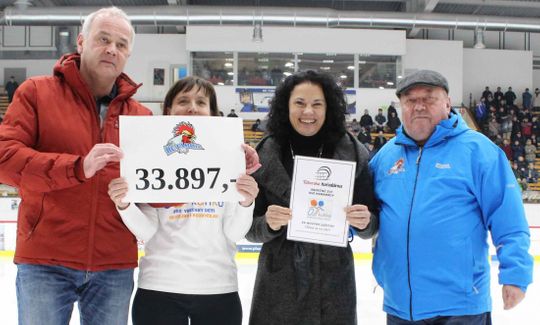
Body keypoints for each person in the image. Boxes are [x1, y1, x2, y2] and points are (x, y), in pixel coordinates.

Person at [0, 7, 152, 324]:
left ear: (128, 55)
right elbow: (5, 158)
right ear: (81, 42)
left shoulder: (141, 117)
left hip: (114, 264)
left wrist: (230, 167)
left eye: (122, 44)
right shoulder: (36, 93)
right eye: (104, 39)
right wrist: (76, 168)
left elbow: (160, 189)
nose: (112, 49)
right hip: (45, 260)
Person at [369, 70, 533, 324]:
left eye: (429, 98)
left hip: (461, 307)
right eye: (410, 100)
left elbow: (508, 218)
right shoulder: (386, 156)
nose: (419, 106)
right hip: (401, 304)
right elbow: (364, 209)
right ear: (401, 106)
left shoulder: (478, 151)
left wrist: (516, 275)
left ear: (447, 103)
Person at [108, 76, 261, 325]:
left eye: (201, 102)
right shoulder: (148, 158)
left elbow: (233, 233)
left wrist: (246, 202)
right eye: (183, 100)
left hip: (218, 288)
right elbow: (147, 230)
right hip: (159, 287)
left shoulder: (232, 159)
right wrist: (124, 204)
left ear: (212, 113)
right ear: (168, 110)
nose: (192, 107)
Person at [245, 70, 379, 325]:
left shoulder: (352, 151)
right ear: (286, 107)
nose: (309, 112)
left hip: (333, 279)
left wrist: (365, 222)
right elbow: (249, 228)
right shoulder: (265, 153)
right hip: (278, 278)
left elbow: (371, 222)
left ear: (329, 108)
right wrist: (268, 224)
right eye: (300, 103)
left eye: (317, 104)